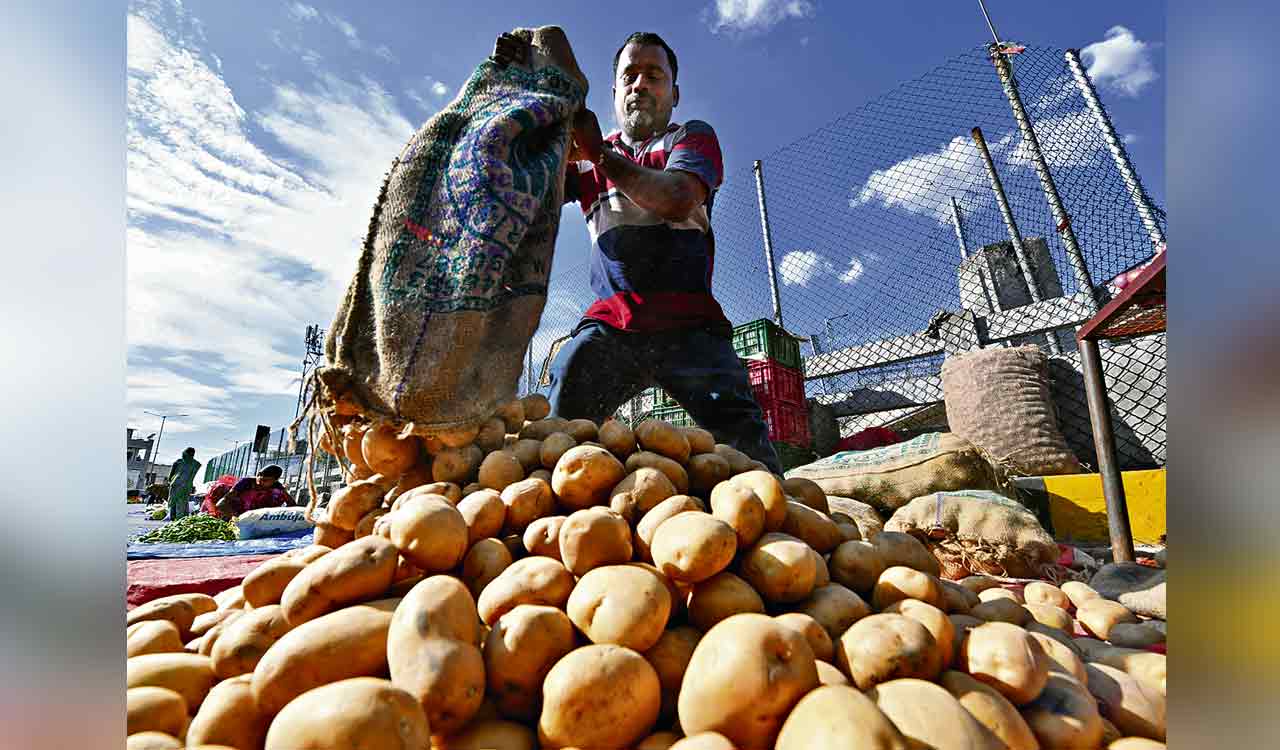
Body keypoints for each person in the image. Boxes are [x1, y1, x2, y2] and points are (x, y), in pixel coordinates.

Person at [491, 30, 782, 473]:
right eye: (630, 75)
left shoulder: (689, 138)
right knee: (554, 438)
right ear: (614, 92)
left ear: (674, 92)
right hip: (613, 326)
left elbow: (678, 197)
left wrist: (599, 155)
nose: (640, 85)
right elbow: (520, 182)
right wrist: (512, 90)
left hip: (690, 326)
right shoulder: (581, 155)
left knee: (747, 454)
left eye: (654, 75)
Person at [211, 465, 293, 519]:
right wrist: (238, 518)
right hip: (237, 514)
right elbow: (221, 504)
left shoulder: (278, 488)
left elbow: (292, 505)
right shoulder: (245, 483)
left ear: (274, 481)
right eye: (259, 477)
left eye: (265, 480)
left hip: (258, 516)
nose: (260, 482)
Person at [165, 447, 201, 521]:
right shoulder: (196, 464)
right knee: (183, 502)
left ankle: (176, 518)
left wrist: (170, 481)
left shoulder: (179, 462)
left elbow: (171, 475)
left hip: (176, 485)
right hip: (187, 486)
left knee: (175, 502)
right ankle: (182, 519)